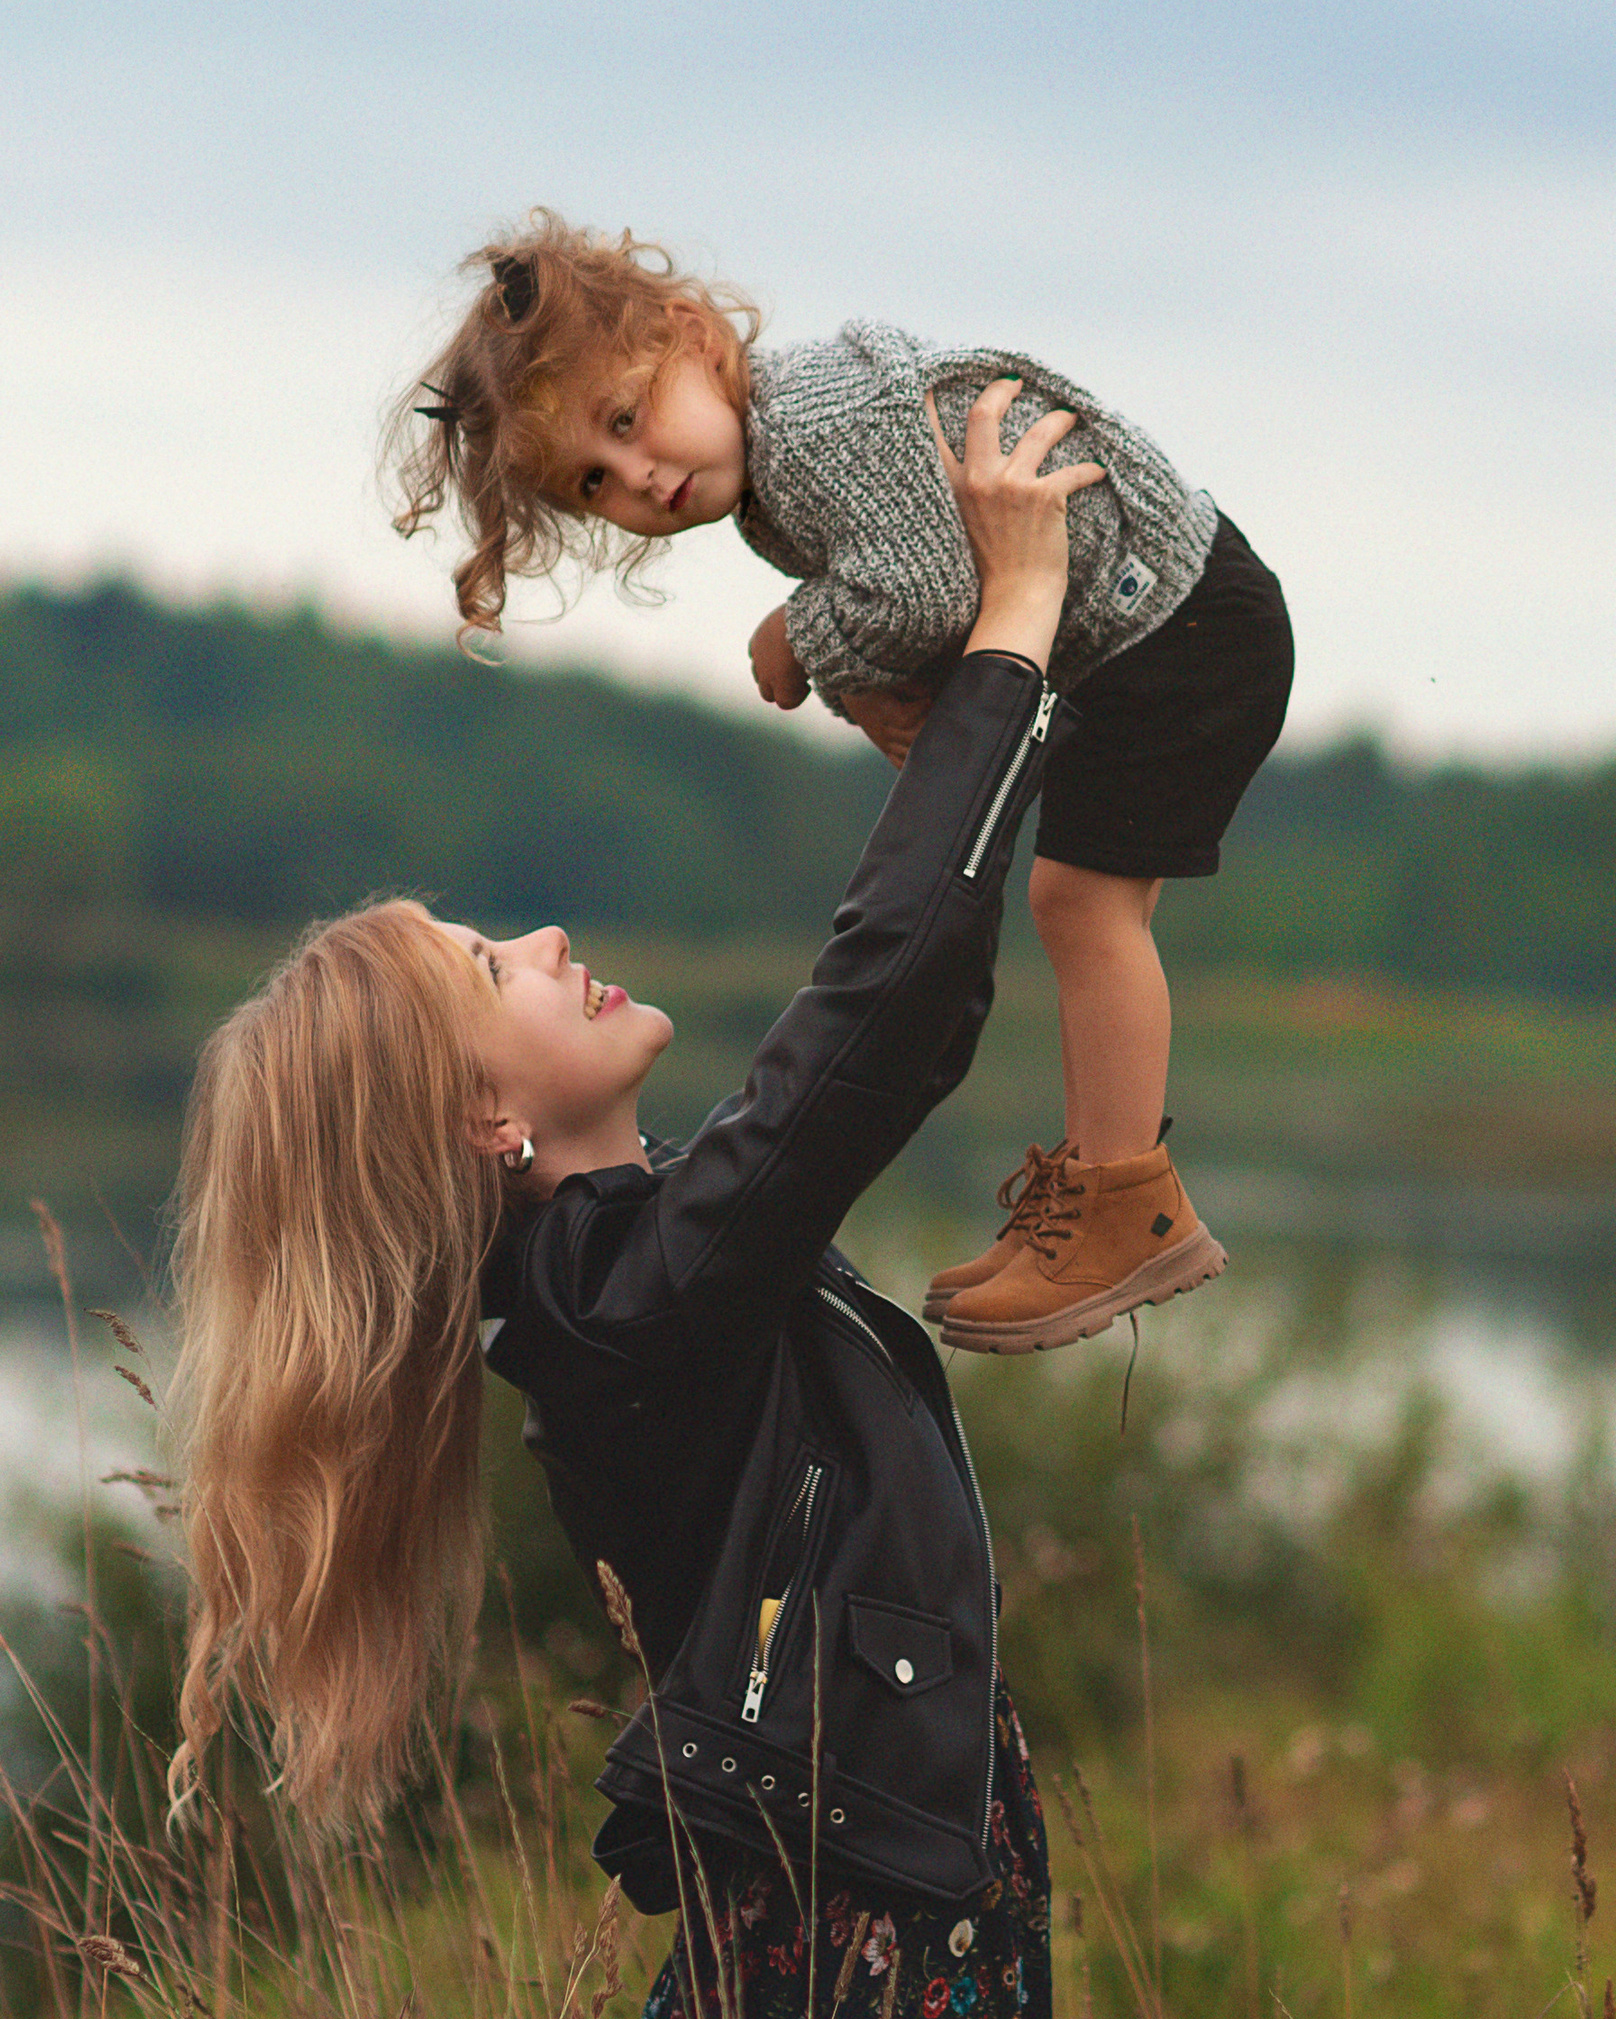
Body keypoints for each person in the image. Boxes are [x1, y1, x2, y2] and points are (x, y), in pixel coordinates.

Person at [170, 382, 1090, 2019]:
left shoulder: (630, 1280)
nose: (548, 938)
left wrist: (951, 718)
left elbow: (883, 1027)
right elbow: (874, 1016)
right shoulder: (613, 1302)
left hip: (857, 1983)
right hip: (855, 2001)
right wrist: (1010, 629)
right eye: (494, 965)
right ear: (483, 1127)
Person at [388, 211, 1295, 1355]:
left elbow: (914, 594)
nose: (641, 475)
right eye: (593, 480)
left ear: (692, 337)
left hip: (1177, 622)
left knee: (1082, 906)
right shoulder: (776, 461)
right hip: (1159, 620)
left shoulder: (811, 429)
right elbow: (943, 582)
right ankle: (1098, 1179)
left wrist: (798, 633)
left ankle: (1124, 1199)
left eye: (627, 419)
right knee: (1083, 907)